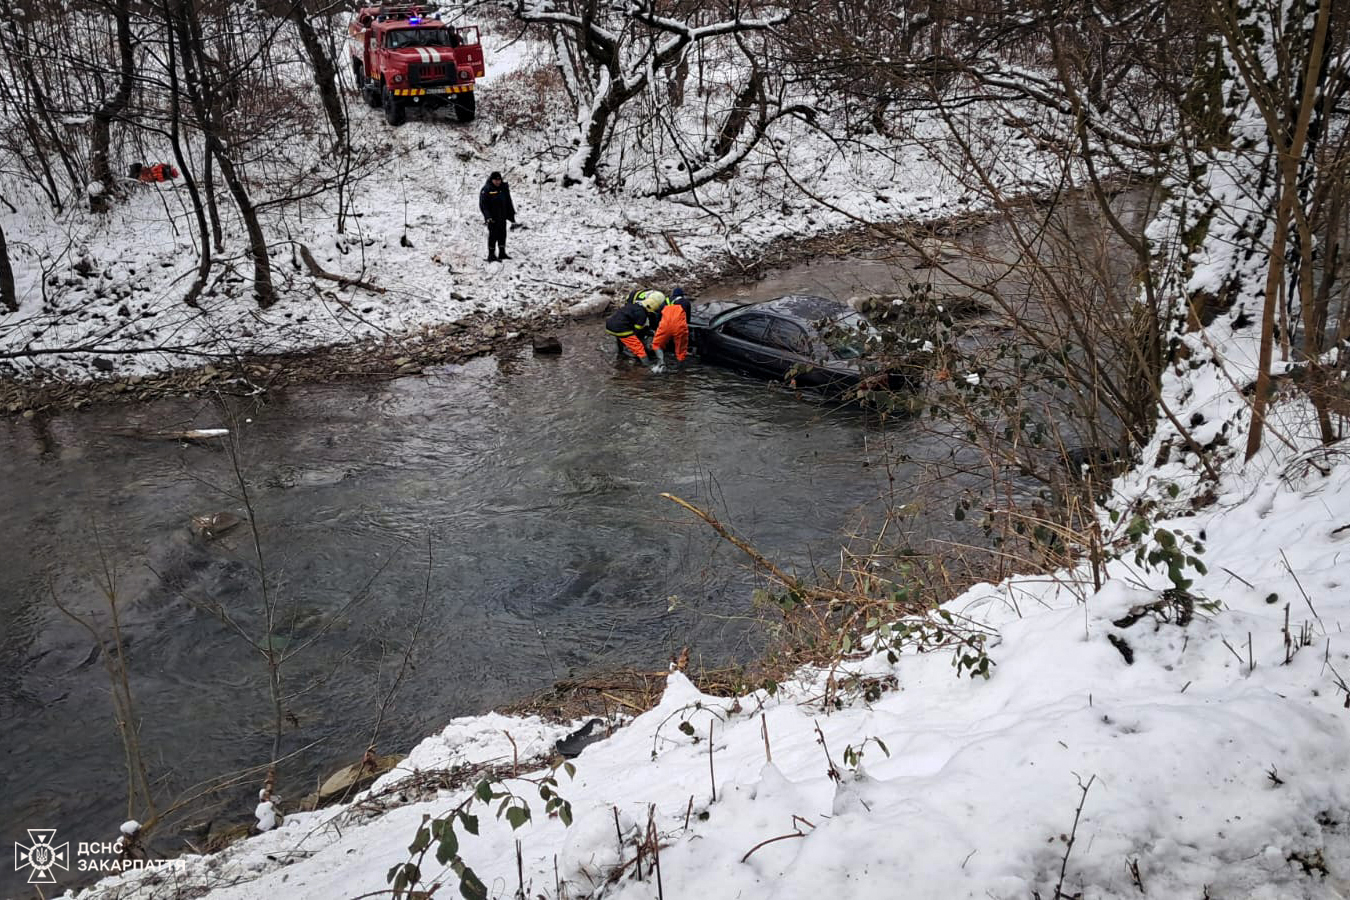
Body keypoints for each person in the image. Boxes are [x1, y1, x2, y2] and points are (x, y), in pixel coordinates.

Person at [605, 290, 665, 365]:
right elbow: (637, 330)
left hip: (610, 325)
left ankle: (620, 353)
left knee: (621, 337)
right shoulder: (642, 314)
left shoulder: (633, 305)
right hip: (621, 329)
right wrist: (646, 332)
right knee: (639, 348)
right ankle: (647, 365)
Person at [649, 286, 692, 371]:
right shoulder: (686, 302)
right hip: (679, 327)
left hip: (665, 326)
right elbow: (688, 318)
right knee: (681, 349)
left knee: (656, 344)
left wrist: (657, 327)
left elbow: (658, 316)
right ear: (682, 295)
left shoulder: (665, 301)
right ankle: (680, 368)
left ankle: (661, 363)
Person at [478, 171, 516, 261]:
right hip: (493, 218)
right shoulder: (487, 189)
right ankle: (491, 255)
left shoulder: (503, 188)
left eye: (499, 180)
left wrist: (511, 214)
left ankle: (502, 253)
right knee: (493, 236)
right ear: (492, 180)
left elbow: (508, 202)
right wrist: (488, 217)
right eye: (496, 180)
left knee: (502, 235)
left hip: (502, 216)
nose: (498, 182)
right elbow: (484, 205)